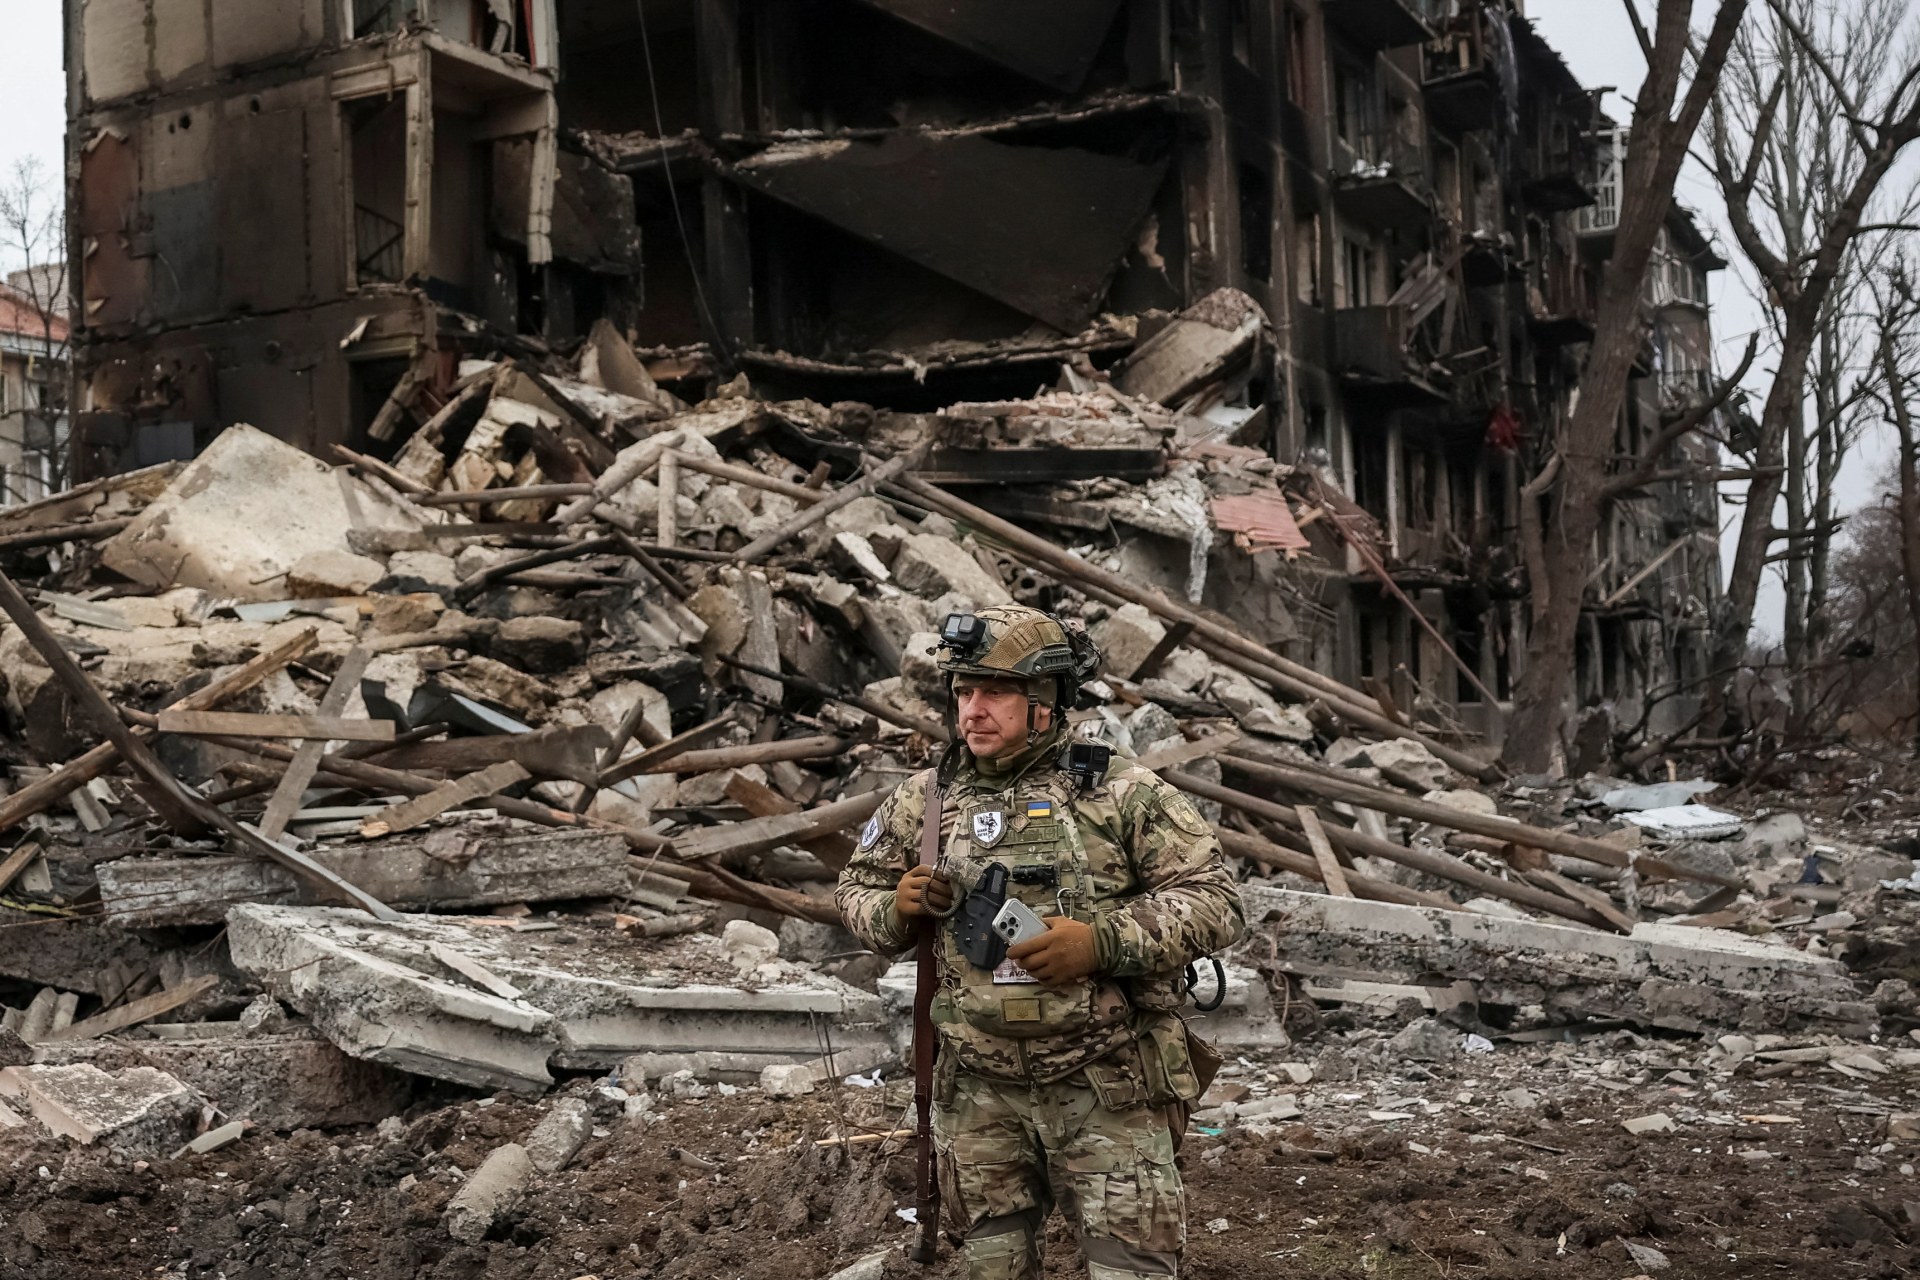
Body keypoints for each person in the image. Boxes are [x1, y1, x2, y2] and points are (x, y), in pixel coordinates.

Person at [835, 604, 1246, 1280]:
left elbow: (1217, 901)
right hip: (979, 1092)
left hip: (1108, 1084)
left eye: (994, 692)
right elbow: (853, 893)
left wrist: (1101, 942)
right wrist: (896, 909)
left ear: (1046, 703)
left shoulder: (1121, 793)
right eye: (963, 691)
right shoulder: (926, 801)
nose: (972, 709)